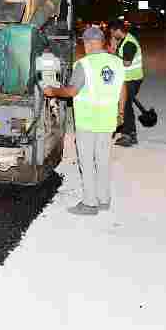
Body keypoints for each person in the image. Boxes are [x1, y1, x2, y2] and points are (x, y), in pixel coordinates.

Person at [43, 26, 127, 215]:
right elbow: (123, 89)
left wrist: (52, 91)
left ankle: (90, 203)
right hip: (107, 121)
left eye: (84, 42)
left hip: (88, 122)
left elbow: (72, 91)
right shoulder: (116, 62)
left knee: (87, 162)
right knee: (103, 160)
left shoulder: (84, 65)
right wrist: (120, 112)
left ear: (89, 43)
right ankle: (104, 200)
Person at [110, 20, 145, 147]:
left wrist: (114, 54)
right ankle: (127, 132)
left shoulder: (129, 43)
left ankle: (129, 134)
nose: (112, 36)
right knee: (125, 104)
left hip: (132, 80)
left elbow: (127, 63)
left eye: (113, 33)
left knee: (125, 105)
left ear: (118, 30)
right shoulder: (124, 40)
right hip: (127, 79)